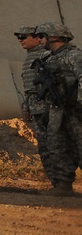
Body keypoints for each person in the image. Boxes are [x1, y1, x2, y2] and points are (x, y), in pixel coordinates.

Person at [31, 22, 81, 196]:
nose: (39, 40)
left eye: (41, 36)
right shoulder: (48, 59)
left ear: (55, 37)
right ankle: (63, 185)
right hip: (56, 111)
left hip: (75, 110)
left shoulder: (73, 55)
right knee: (57, 146)